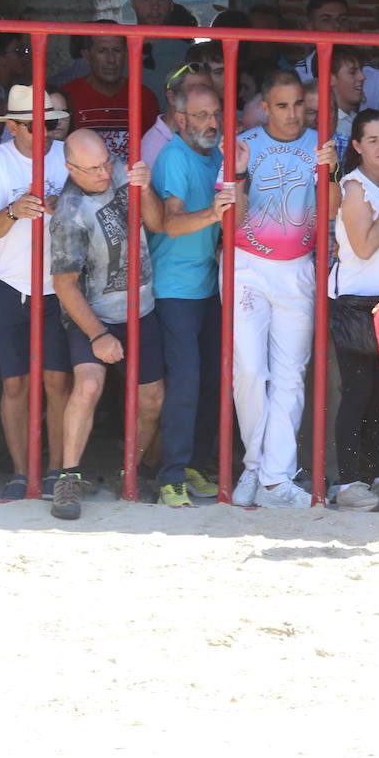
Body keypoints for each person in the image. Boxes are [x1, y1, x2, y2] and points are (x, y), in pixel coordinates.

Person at [229, 68, 340, 509]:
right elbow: (232, 221)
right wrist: (237, 174)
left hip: (298, 270)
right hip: (248, 267)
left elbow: (330, 212)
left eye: (299, 105)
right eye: (282, 105)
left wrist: (328, 170)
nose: (293, 114)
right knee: (251, 374)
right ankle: (256, 467)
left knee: (291, 378)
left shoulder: (320, 144)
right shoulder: (245, 145)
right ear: (264, 106)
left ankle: (273, 480)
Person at [48, 129, 167, 520]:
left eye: (106, 163)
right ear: (71, 169)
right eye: (93, 168)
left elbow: (156, 222)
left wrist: (145, 188)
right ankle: (69, 477)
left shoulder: (119, 173)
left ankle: (129, 472)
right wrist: (98, 335)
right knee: (88, 385)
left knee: (152, 399)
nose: (103, 173)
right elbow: (64, 284)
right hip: (93, 316)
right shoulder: (69, 212)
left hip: (141, 309)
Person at [148, 83, 231, 508]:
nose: (211, 123)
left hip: (208, 285)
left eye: (214, 113)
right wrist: (214, 214)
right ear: (180, 120)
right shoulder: (175, 157)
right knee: (185, 379)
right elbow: (170, 223)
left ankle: (195, 463)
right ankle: (171, 475)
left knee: (213, 378)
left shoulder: (217, 155)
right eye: (200, 116)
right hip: (175, 288)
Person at [0, 86, 73, 500]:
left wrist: (68, 205)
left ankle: (58, 472)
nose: (41, 133)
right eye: (30, 125)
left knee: (59, 383)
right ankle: (23, 473)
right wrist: (12, 211)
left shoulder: (67, 154)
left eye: (48, 123)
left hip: (58, 288)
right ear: (11, 126)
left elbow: (101, 199)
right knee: (15, 385)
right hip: (8, 285)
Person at [329, 109, 379, 513]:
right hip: (358, 303)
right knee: (357, 394)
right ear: (357, 146)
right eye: (373, 140)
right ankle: (348, 482)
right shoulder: (355, 188)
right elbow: (363, 247)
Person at [293, 0, 379, 129]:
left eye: (342, 19)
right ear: (310, 28)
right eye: (326, 19)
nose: (337, 26)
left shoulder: (375, 76)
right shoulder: (296, 76)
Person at [62, 28, 161, 164]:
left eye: (117, 51)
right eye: (102, 51)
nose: (111, 60)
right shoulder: (69, 95)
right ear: (87, 56)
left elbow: (153, 148)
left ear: (126, 54)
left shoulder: (144, 96)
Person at [131, 0, 193, 107]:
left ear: (171, 4)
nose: (154, 6)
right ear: (133, 3)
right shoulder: (117, 52)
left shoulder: (188, 55)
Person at [141, 60, 216, 167]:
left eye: (207, 91)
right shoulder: (153, 147)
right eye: (196, 92)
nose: (204, 100)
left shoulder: (206, 134)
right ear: (172, 98)